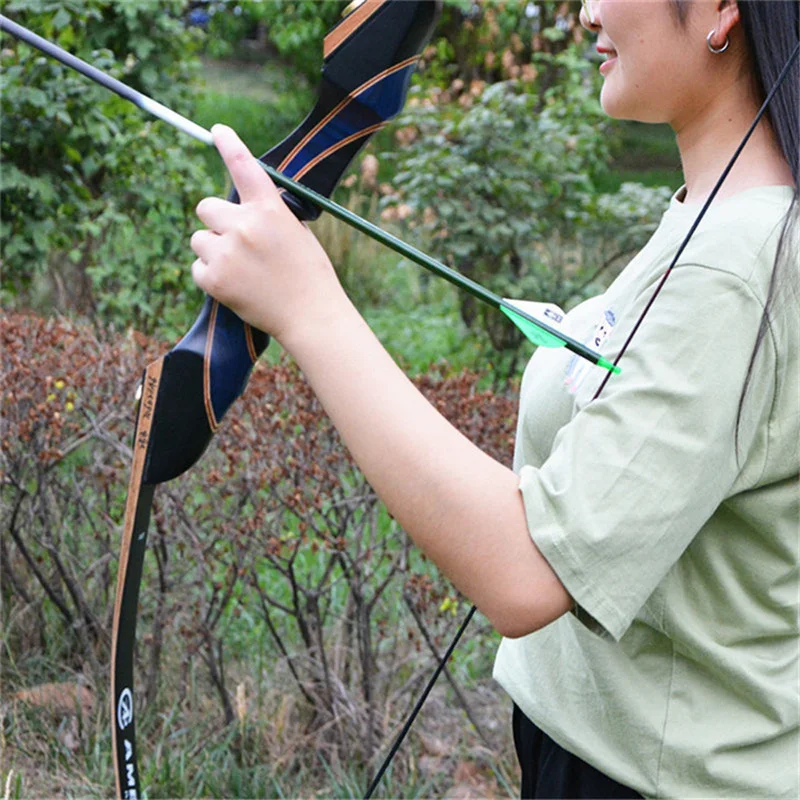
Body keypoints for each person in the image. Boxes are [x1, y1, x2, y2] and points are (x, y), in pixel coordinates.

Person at [189, 0, 799, 795]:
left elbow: (527, 570)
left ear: (721, 8)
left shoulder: (739, 264)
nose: (586, 13)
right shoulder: (715, 218)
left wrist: (308, 307)